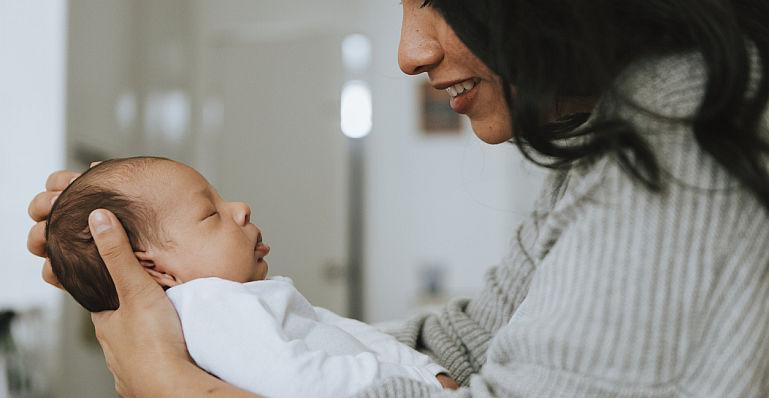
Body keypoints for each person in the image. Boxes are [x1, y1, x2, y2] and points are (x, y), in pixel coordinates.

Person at [26, 0, 769, 396]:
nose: (408, 51)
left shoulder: (687, 117)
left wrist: (176, 387)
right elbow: (466, 345)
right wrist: (138, 305)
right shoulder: (618, 128)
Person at [45, 157, 449, 397]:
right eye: (210, 213)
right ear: (154, 268)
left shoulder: (242, 298)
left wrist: (426, 373)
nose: (241, 208)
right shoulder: (207, 306)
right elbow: (299, 385)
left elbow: (351, 334)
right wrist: (422, 383)